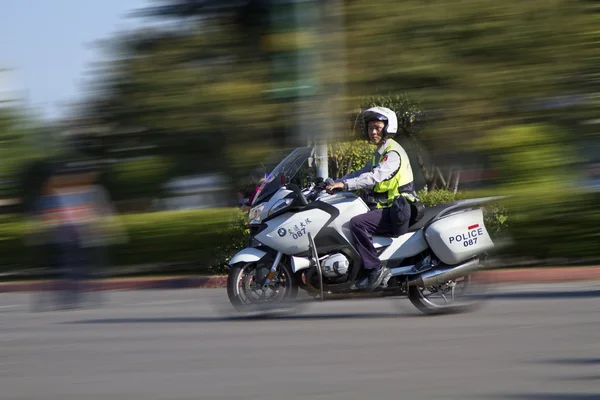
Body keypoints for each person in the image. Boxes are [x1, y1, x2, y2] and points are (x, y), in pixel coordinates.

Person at [326, 106, 420, 291]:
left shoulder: (393, 154)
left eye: (377, 127)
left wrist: (344, 186)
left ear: (387, 128)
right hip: (389, 208)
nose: (373, 132)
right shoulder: (381, 153)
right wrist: (335, 182)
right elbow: (362, 172)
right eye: (370, 128)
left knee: (357, 224)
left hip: (399, 210)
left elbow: (373, 177)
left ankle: (376, 269)